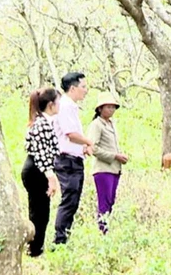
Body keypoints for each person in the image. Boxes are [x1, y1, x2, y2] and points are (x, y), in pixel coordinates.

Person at [53, 72, 95, 245]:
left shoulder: (72, 107)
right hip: (66, 160)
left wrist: (83, 146)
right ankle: (60, 240)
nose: (86, 91)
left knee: (73, 199)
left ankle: (65, 236)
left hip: (74, 159)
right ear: (73, 88)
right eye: (83, 87)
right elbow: (70, 134)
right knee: (69, 199)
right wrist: (88, 141)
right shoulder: (64, 106)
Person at [21, 88, 61, 257]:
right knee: (40, 212)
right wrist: (50, 176)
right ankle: (35, 249)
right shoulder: (42, 124)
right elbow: (41, 153)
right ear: (51, 105)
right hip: (37, 170)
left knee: (39, 211)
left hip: (37, 169)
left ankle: (35, 247)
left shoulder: (43, 122)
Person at [87, 92, 128, 234]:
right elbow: (92, 148)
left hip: (115, 169)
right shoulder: (96, 125)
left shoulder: (112, 124)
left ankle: (106, 229)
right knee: (104, 203)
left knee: (111, 201)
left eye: (113, 107)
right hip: (103, 170)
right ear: (100, 109)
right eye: (108, 107)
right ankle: (103, 232)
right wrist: (115, 156)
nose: (111, 110)